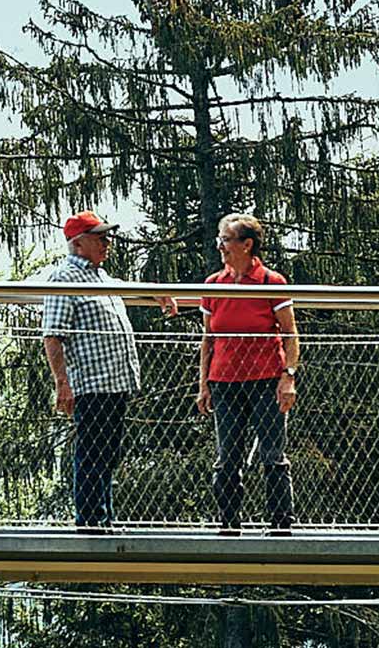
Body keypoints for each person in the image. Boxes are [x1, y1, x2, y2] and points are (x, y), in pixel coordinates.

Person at [41, 211, 176, 535]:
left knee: (107, 452)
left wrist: (155, 291)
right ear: (78, 243)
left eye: (107, 237)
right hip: (93, 381)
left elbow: (124, 286)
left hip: (115, 382)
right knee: (93, 452)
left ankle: (103, 519)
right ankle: (91, 523)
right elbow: (52, 334)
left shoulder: (98, 277)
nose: (107, 243)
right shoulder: (65, 279)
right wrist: (63, 383)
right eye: (100, 238)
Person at [196, 214, 301, 536]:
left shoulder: (271, 282)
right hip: (224, 381)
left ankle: (281, 524)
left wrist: (289, 377)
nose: (220, 247)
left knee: (272, 453)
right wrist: (203, 385)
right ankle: (228, 524)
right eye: (220, 240)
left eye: (226, 240)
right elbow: (208, 339)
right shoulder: (214, 284)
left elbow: (290, 333)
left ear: (247, 244)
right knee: (227, 457)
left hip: (266, 379)